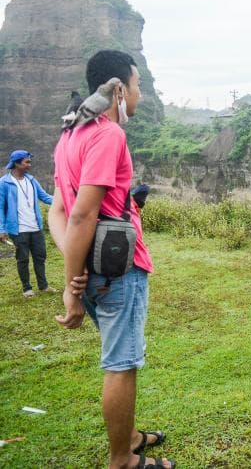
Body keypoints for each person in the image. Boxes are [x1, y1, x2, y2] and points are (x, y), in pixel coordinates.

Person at [49, 50, 174, 469]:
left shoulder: (70, 135)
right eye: (136, 86)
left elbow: (58, 211)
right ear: (119, 89)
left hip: (94, 270)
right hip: (118, 273)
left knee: (120, 355)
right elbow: (81, 213)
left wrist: (74, 268)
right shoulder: (107, 135)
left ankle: (131, 435)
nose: (139, 95)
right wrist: (71, 285)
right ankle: (123, 459)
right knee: (122, 364)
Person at [0, 150, 56, 298]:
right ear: (17, 163)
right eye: (27, 162)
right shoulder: (4, 183)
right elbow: (0, 207)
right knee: (23, 259)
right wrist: (1, 229)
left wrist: (64, 202)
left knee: (40, 257)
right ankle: (27, 289)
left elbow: (44, 196)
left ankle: (43, 286)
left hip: (36, 227)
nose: (29, 165)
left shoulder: (31, 180)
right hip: (18, 229)